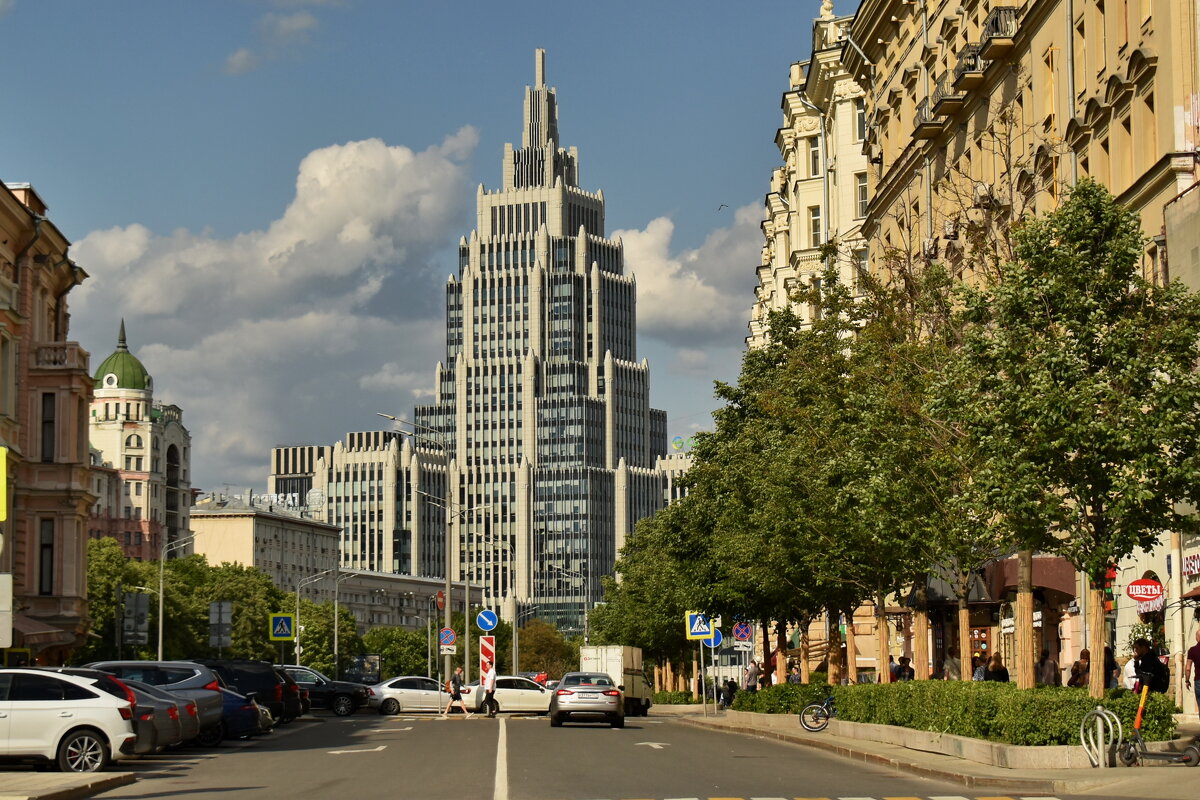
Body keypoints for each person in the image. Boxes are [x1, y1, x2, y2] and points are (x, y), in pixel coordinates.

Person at [1185, 629, 1200, 712]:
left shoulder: (1192, 650)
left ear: (1197, 638)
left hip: (1198, 681)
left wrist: (1187, 680)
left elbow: (1188, 668)